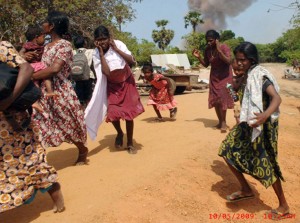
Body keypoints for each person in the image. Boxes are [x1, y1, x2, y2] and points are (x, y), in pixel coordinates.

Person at [218, 42, 290, 220]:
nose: (239, 63)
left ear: (251, 60)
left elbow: (276, 98)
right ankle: (245, 188)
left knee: (266, 163)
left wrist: (264, 115)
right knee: (227, 151)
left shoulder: (260, 77)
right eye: (237, 59)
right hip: (247, 124)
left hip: (262, 126)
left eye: (243, 60)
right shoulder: (247, 75)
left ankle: (283, 206)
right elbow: (239, 93)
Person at [0, 40, 64, 213]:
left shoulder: (2, 47)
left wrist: (9, 99)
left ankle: (55, 192)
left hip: (12, 122)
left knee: (31, 161)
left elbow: (26, 69)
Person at [31, 11, 88, 165]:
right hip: (45, 90)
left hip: (60, 90)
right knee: (41, 123)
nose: (43, 24)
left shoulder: (65, 45)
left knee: (68, 121)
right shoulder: (46, 46)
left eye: (45, 22)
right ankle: (38, 161)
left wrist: (32, 76)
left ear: (52, 26)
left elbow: (55, 69)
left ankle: (82, 150)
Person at [89, 25, 144, 154]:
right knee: (113, 113)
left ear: (109, 38)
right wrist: (102, 55)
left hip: (127, 82)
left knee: (129, 113)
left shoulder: (118, 44)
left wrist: (116, 49)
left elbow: (131, 60)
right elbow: (106, 72)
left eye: (104, 38)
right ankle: (119, 133)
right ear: (95, 41)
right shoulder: (96, 53)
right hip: (112, 85)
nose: (102, 42)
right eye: (99, 39)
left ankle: (130, 143)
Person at [192, 29, 233, 133]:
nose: (209, 42)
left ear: (217, 39)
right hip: (214, 77)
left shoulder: (224, 47)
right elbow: (206, 64)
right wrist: (198, 57)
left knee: (223, 97)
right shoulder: (207, 50)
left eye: (211, 40)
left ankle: (223, 122)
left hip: (225, 76)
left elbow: (229, 61)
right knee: (215, 99)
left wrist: (219, 52)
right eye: (207, 41)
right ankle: (220, 121)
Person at [19, 25, 56, 112]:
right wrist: (23, 56)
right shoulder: (28, 45)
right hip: (35, 66)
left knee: (35, 84)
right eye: (43, 36)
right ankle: (49, 91)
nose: (44, 38)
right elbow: (20, 53)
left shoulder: (44, 47)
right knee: (46, 77)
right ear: (36, 38)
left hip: (35, 67)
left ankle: (36, 101)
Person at [72, 35, 95, 107]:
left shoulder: (73, 52)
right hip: (88, 77)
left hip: (77, 77)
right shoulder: (91, 51)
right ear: (84, 43)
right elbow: (93, 65)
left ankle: (81, 112)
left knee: (79, 98)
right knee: (89, 98)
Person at [231, 59, 246, 125]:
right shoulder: (234, 78)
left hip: (246, 100)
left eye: (239, 70)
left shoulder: (246, 77)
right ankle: (238, 125)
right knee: (237, 114)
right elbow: (232, 90)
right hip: (238, 101)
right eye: (234, 70)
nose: (236, 72)